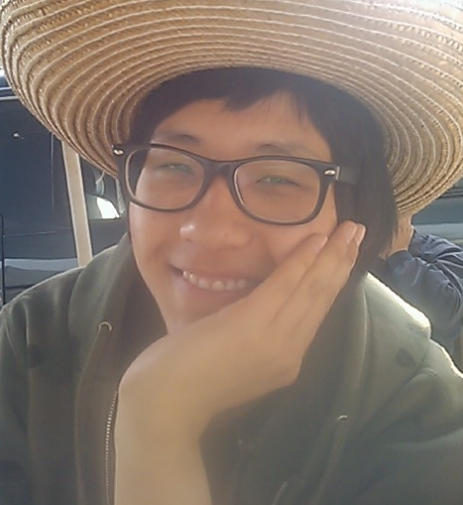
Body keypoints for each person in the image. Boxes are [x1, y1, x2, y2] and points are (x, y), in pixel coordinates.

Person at [1, 2, 463, 505]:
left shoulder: (416, 409)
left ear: (353, 217)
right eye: (174, 166)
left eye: (277, 179)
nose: (208, 231)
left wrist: (158, 419)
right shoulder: (31, 341)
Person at [373, 214, 463, 360]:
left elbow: (445, 312)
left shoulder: (440, 252)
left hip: (424, 369)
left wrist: (399, 256)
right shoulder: (351, 256)